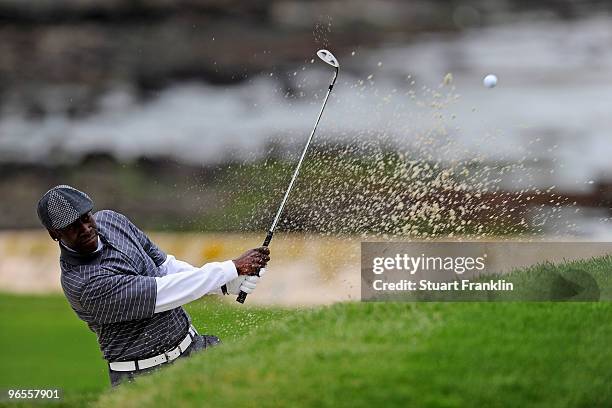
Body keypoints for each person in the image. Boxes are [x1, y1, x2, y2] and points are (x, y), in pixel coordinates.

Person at [36, 185, 270, 387]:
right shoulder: (84, 283)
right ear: (54, 234)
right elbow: (162, 293)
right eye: (73, 227)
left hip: (196, 348)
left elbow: (165, 266)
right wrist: (231, 269)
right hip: (143, 376)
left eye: (85, 218)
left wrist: (225, 285)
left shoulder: (112, 221)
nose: (85, 229)